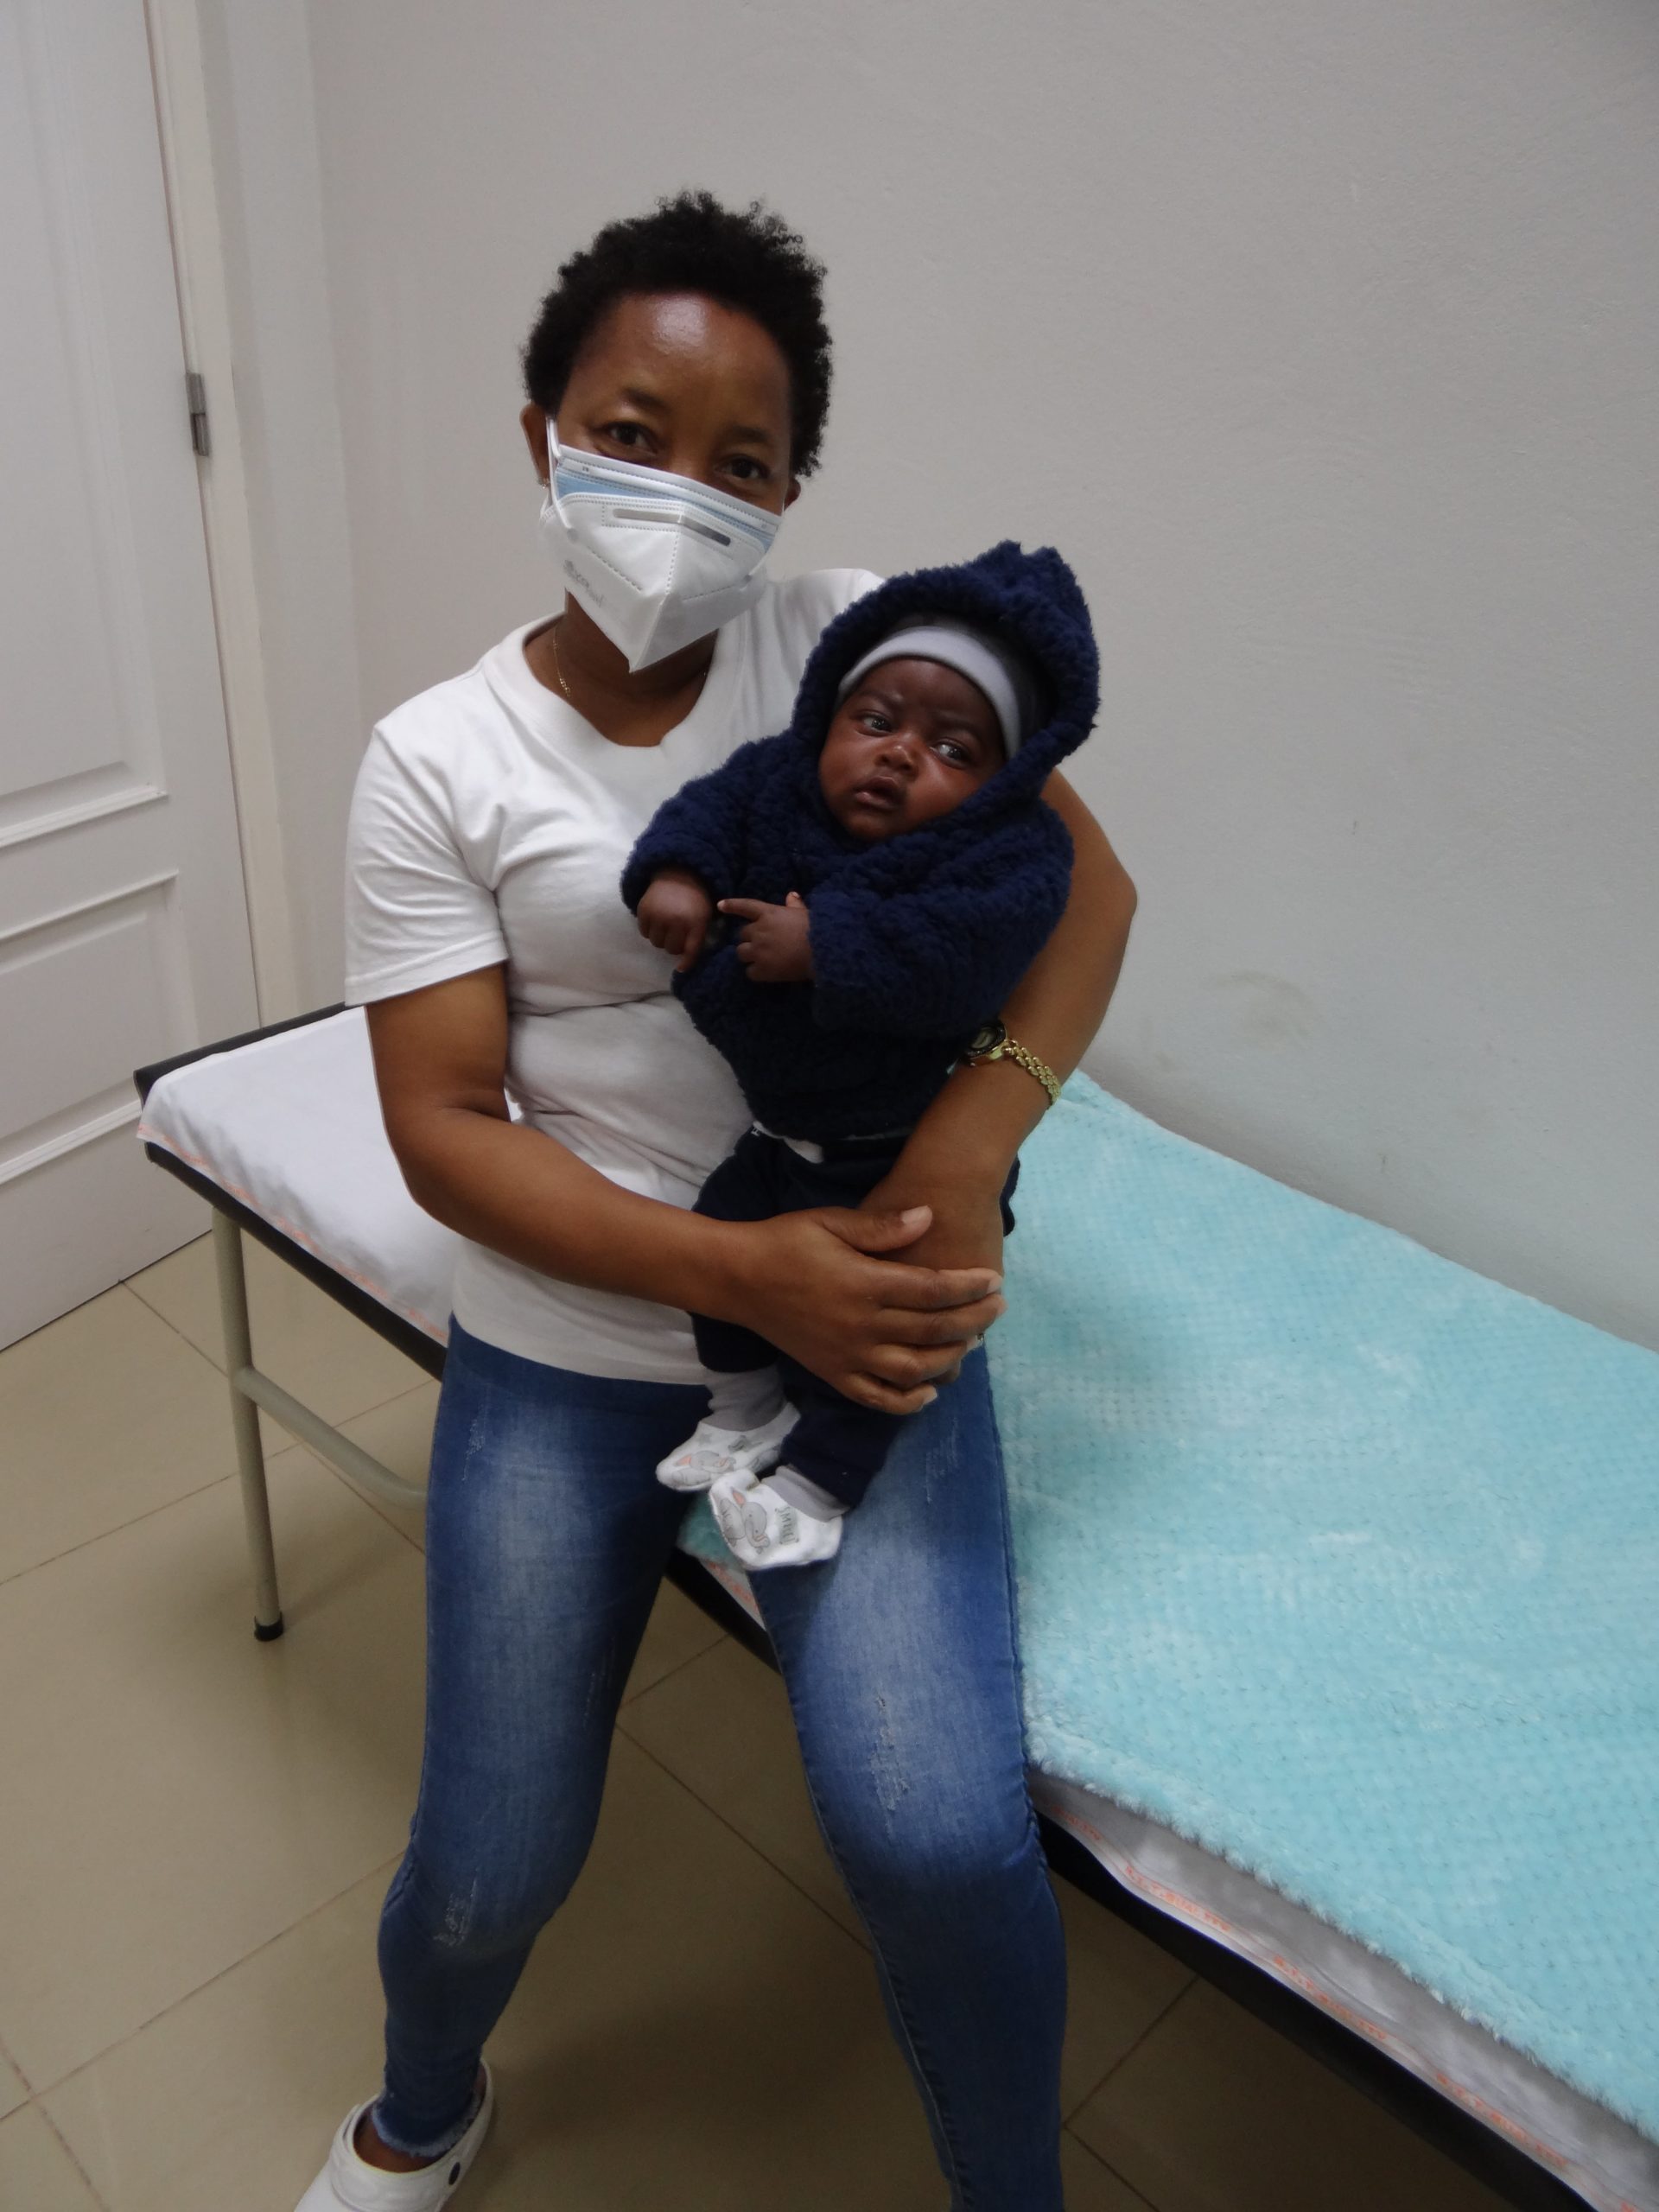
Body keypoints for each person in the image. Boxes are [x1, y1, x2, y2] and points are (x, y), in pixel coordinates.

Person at [297, 189, 1136, 2212]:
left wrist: (959, 1162)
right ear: (541, 438)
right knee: (488, 1858)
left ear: (789, 495)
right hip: (575, 1334)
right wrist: (742, 1270)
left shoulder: (863, 653)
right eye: (630, 433)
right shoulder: (436, 759)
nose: (683, 492)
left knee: (938, 1835)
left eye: (743, 461)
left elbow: (1086, 895)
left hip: (867, 1289)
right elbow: (443, 1125)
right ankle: (420, 2110)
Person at [626, 542, 1099, 1568]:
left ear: (1005, 779)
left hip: (901, 1150)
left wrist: (826, 946)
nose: (899, 754)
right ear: (829, 713)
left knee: (900, 1326)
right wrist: (677, 874)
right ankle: (743, 1407)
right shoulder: (778, 777)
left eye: (954, 748)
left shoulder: (1010, 857)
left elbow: (962, 962)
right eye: (877, 722)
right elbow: (708, 811)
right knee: (719, 1238)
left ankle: (819, 1484)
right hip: (782, 1133)